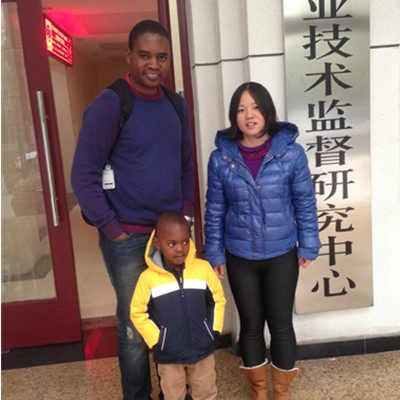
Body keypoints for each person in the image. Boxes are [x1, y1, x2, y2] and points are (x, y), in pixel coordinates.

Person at [71, 20, 195, 400]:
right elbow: (83, 176)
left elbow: (186, 166)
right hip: (127, 239)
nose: (154, 64)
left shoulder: (176, 105)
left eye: (161, 57)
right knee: (134, 327)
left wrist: (186, 216)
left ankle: (173, 392)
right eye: (144, 55)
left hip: (170, 238)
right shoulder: (110, 105)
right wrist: (113, 229)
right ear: (129, 56)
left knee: (172, 317)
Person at [203, 82, 321, 400]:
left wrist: (309, 243)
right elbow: (215, 209)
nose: (249, 115)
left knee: (281, 325)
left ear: (267, 110)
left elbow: (304, 202)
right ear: (234, 116)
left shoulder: (291, 153)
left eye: (255, 107)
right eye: (241, 109)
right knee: (251, 325)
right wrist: (214, 252)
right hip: (240, 255)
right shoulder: (221, 159)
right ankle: (259, 390)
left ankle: (281, 391)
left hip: (281, 254)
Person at [131, 211, 226, 400]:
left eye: (185, 242)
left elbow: (217, 299)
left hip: (202, 350)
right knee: (173, 395)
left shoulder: (202, 269)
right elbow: (138, 312)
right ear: (157, 243)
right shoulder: (148, 279)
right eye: (172, 244)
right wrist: (158, 340)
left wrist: (212, 329)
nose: (180, 249)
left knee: (206, 392)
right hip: (169, 355)